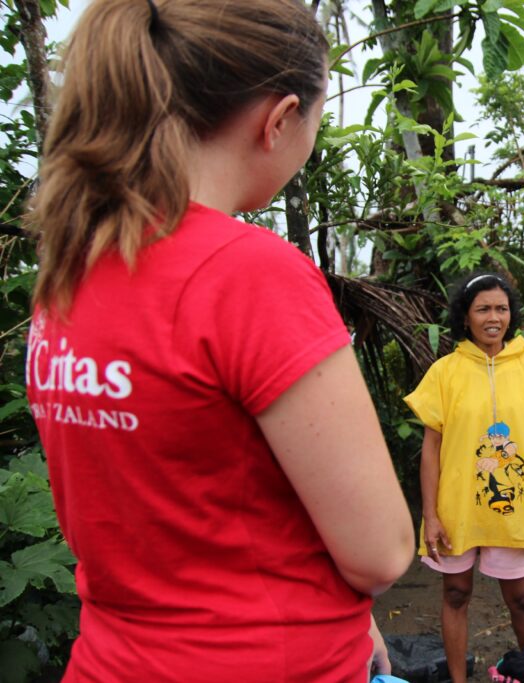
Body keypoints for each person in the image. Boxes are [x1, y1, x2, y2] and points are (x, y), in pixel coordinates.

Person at [24, 1, 414, 680]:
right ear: (280, 119)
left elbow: (176, 502)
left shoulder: (71, 267)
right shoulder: (249, 275)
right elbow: (379, 551)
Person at [404, 273, 524, 683]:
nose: (493, 317)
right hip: (456, 506)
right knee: (456, 593)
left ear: (510, 315)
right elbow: (431, 448)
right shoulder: (445, 372)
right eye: (483, 309)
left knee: (521, 599)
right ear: (465, 317)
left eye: (501, 308)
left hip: (514, 507)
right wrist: (430, 514)